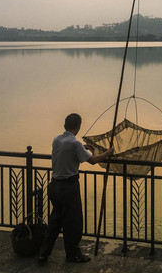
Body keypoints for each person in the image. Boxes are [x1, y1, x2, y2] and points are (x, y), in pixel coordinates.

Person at [38, 113, 114, 264]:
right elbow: (92, 160)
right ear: (78, 126)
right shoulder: (75, 144)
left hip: (54, 186)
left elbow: (69, 150)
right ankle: (73, 255)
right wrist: (108, 153)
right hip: (68, 187)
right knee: (73, 223)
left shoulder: (57, 139)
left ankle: (43, 253)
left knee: (55, 221)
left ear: (65, 125)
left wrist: (83, 147)